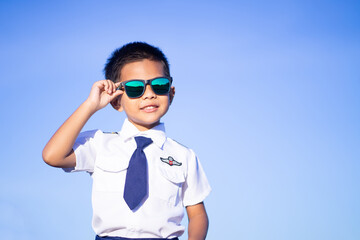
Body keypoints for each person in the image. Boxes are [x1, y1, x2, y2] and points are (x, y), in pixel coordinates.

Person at [42, 42, 211, 240]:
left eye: (158, 85)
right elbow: (53, 156)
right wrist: (90, 105)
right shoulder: (100, 144)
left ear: (170, 93)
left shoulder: (184, 156)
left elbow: (198, 213)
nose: (149, 94)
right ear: (116, 101)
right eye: (134, 88)